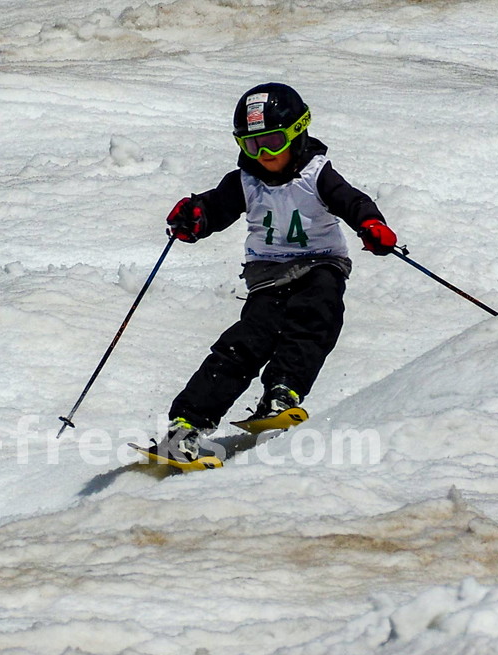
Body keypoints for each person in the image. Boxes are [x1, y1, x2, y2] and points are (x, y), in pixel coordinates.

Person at [154, 82, 397, 463]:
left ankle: (282, 392)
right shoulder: (245, 181)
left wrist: (371, 225)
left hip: (321, 264)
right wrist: (195, 217)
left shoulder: (317, 174)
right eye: (251, 145)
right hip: (267, 274)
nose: (263, 154)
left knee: (315, 318)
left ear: (297, 134)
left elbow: (353, 201)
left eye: (273, 142)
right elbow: (217, 207)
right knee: (245, 342)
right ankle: (186, 423)